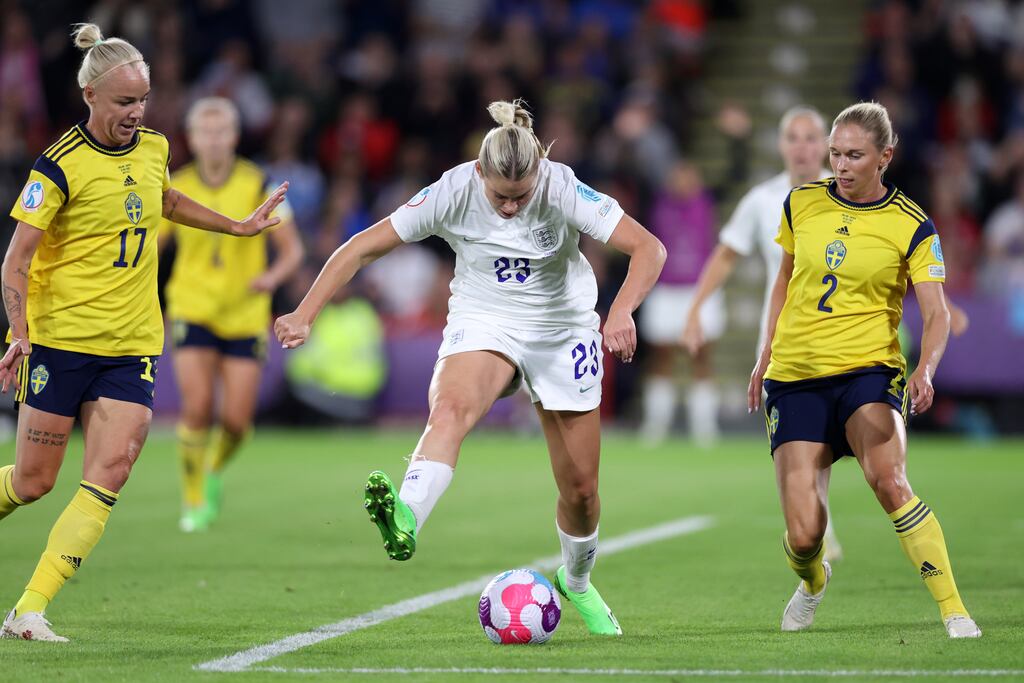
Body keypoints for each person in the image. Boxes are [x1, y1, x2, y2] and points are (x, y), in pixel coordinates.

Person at [275, 100, 666, 636]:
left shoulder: (563, 186)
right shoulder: (452, 190)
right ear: (479, 173)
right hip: (485, 320)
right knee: (451, 408)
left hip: (562, 328)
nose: (509, 207)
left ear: (539, 175)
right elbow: (363, 247)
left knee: (580, 489)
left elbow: (649, 248)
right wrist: (306, 311)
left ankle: (576, 581)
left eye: (521, 196)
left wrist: (620, 311)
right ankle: (407, 517)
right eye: (500, 196)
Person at [0, 24, 287, 642]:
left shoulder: (155, 147)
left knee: (114, 468)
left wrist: (235, 227)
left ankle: (29, 610)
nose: (137, 113)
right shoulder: (57, 166)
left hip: (132, 344)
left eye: (144, 100)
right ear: (91, 98)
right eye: (125, 101)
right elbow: (16, 260)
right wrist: (18, 333)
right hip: (62, 342)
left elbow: (167, 202)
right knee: (32, 482)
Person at [748, 101, 981, 639]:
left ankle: (953, 609)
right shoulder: (800, 203)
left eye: (855, 155)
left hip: (868, 372)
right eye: (836, 154)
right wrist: (765, 355)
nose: (842, 164)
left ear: (885, 157)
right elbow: (784, 279)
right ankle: (812, 582)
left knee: (890, 480)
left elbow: (938, 312)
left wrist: (925, 370)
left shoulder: (912, 223)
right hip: (797, 375)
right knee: (805, 536)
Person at [681, 107, 847, 561]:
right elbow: (726, 255)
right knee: (796, 449)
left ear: (827, 145)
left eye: (811, 138)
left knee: (822, 445)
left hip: (840, 339)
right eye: (793, 138)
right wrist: (696, 308)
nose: (802, 147)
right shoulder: (763, 199)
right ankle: (816, 529)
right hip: (780, 342)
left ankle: (818, 525)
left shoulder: (851, 193)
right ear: (780, 145)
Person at [159, 97, 303, 533]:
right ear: (193, 138)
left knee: (238, 422)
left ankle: (214, 469)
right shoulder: (175, 186)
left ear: (235, 137)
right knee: (198, 405)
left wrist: (271, 278)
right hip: (192, 306)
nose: (215, 139)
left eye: (222, 131)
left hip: (244, 311)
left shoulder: (259, 183)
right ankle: (193, 497)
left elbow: (293, 250)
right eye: (206, 131)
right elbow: (153, 244)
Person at [638, 159, 723, 446]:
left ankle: (705, 428)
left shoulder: (707, 201)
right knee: (661, 357)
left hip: (698, 290)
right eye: (677, 176)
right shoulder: (657, 204)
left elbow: (737, 171)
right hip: (664, 289)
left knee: (701, 355)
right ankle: (656, 425)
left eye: (688, 176)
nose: (682, 183)